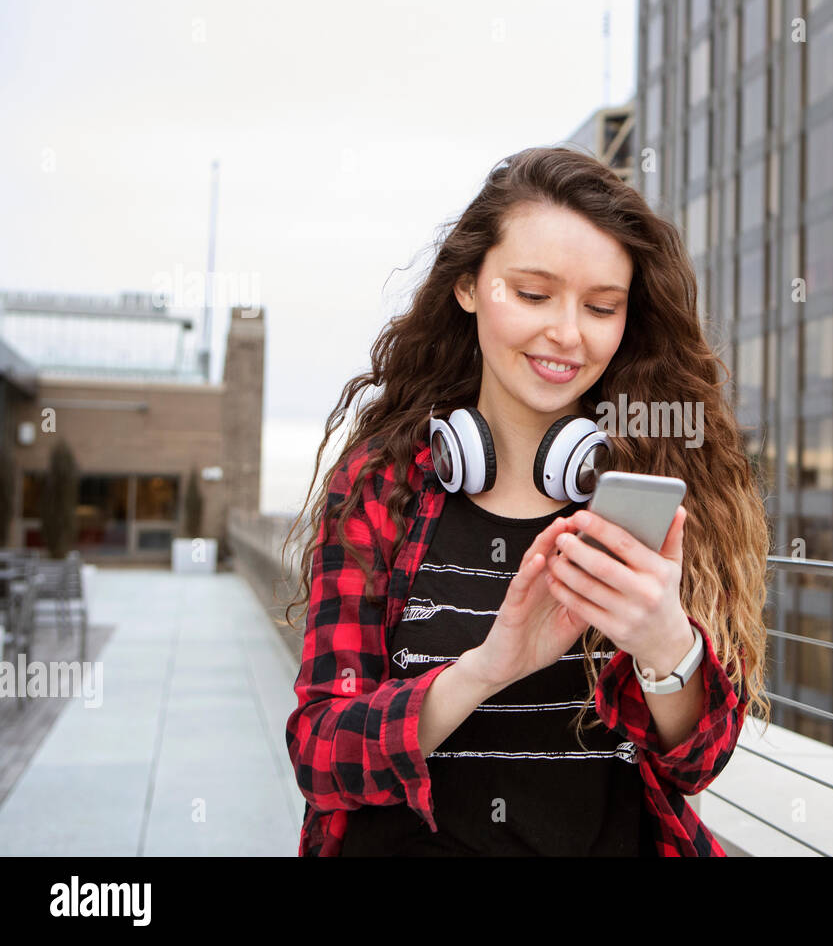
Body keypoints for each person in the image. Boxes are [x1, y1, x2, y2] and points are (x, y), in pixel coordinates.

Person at [282, 146, 771, 856]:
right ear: (469, 287)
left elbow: (695, 764)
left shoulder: (653, 494)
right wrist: (486, 668)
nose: (567, 334)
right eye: (534, 295)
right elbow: (321, 756)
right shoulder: (381, 486)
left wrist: (665, 643)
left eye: (601, 307)